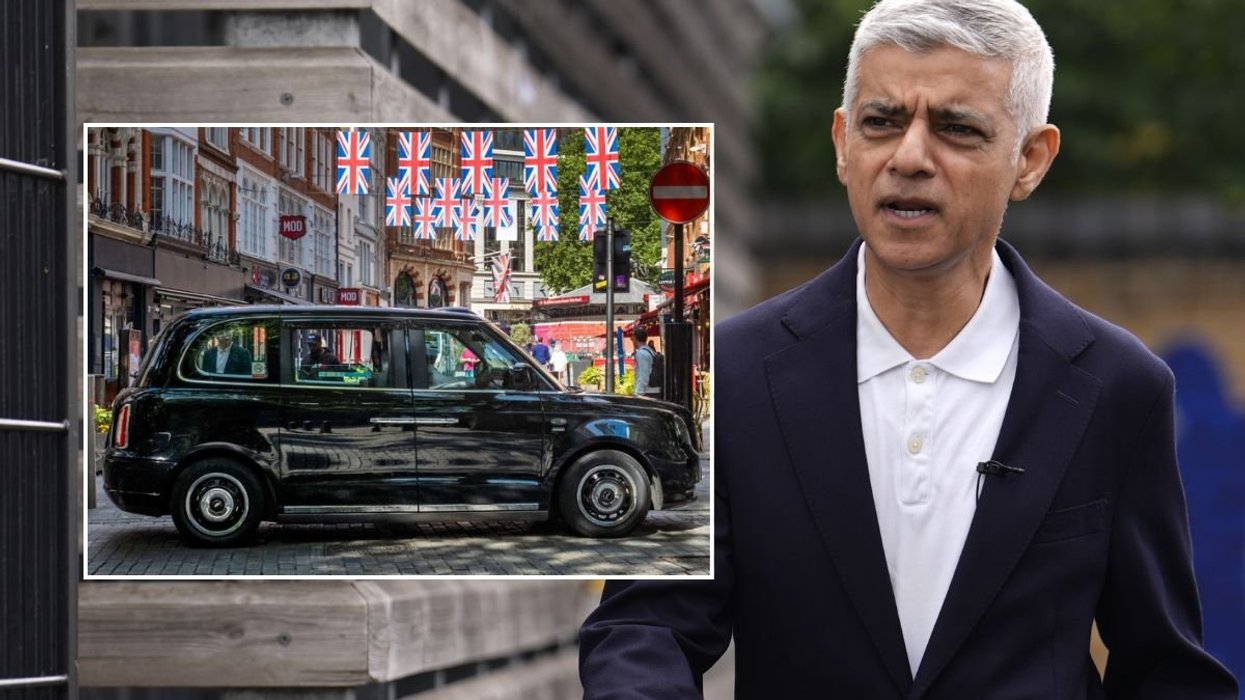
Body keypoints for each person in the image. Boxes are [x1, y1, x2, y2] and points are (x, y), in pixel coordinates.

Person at [578, 1, 1238, 697]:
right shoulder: (728, 377)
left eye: (956, 128)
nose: (909, 157)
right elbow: (644, 629)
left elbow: (1164, 670)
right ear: (841, 141)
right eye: (881, 121)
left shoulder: (1117, 386)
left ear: (1030, 160)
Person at [631, 327, 660, 399]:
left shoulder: (641, 353)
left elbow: (643, 376)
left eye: (632, 339)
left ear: (635, 338)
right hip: (653, 390)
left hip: (647, 392)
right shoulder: (650, 351)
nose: (632, 341)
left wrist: (638, 394)